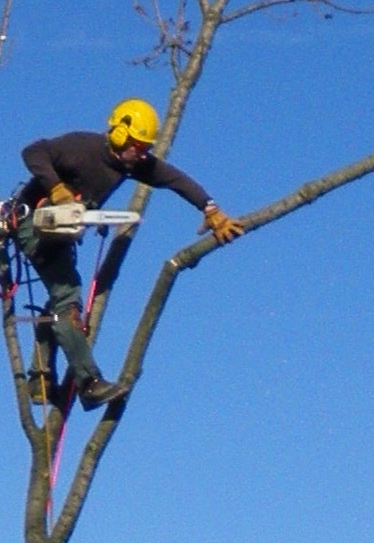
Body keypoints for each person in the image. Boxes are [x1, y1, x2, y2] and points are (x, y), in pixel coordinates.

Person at [13, 98, 245, 405]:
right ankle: (89, 383)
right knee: (67, 299)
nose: (142, 154)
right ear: (120, 134)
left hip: (62, 232)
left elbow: (174, 178)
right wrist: (55, 186)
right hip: (32, 222)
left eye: (146, 148)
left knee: (61, 297)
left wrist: (209, 208)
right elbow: (33, 151)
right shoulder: (82, 147)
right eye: (138, 146)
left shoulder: (133, 163)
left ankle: (40, 379)